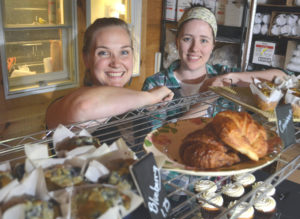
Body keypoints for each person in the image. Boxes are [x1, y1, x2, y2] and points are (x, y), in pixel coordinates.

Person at [142, 4, 287, 117]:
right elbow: (154, 141)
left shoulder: (222, 74)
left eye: (204, 40)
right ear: (177, 41)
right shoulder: (156, 84)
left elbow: (282, 78)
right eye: (187, 39)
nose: (195, 48)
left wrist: (233, 77)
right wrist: (206, 99)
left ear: (213, 45)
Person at [46, 17, 174, 130]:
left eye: (124, 52)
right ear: (86, 58)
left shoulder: (135, 106)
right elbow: (83, 107)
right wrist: (149, 97)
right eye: (104, 53)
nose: (116, 63)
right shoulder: (61, 107)